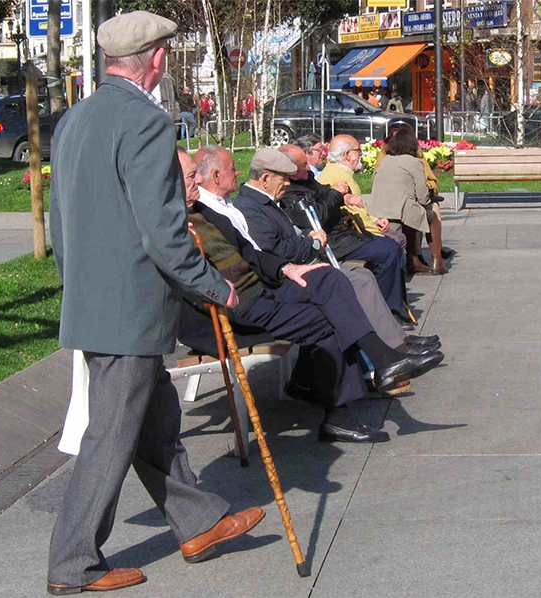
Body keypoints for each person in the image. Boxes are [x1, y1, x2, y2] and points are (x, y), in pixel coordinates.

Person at [46, 12, 265, 594]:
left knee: (154, 422)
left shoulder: (75, 119)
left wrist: (81, 289)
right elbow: (164, 233)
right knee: (111, 435)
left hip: (98, 303)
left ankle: (198, 523)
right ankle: (72, 564)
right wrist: (214, 285)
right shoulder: (146, 122)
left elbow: (59, 223)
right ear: (159, 60)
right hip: (130, 308)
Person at [181, 147, 443, 441]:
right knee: (329, 316)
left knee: (329, 279)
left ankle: (381, 363)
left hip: (257, 293)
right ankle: (343, 404)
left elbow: (251, 256)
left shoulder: (203, 212)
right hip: (230, 314)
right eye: (192, 176)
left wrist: (285, 269)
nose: (198, 181)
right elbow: (189, 278)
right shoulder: (179, 224)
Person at [195, 145, 439, 356]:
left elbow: (272, 244)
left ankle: (393, 343)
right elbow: (268, 250)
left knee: (366, 270)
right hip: (273, 283)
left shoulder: (254, 202)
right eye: (285, 176)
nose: (290, 181)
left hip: (294, 267)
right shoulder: (248, 206)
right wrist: (309, 242)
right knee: (350, 281)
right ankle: (384, 352)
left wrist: (319, 228)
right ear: (267, 178)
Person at [241, 142, 410, 324]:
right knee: (384, 255)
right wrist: (335, 196)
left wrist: (341, 198)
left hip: (331, 239)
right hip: (329, 245)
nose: (309, 168)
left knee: (387, 250)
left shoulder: (302, 181)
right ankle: (389, 318)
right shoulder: (279, 195)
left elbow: (321, 198)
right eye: (302, 166)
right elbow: (314, 217)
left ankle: (390, 321)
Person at [366, 127, 448, 276]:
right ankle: (437, 262)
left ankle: (413, 260)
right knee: (431, 216)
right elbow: (423, 197)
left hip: (378, 212)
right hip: (400, 212)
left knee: (412, 214)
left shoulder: (385, 161)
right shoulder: (414, 162)